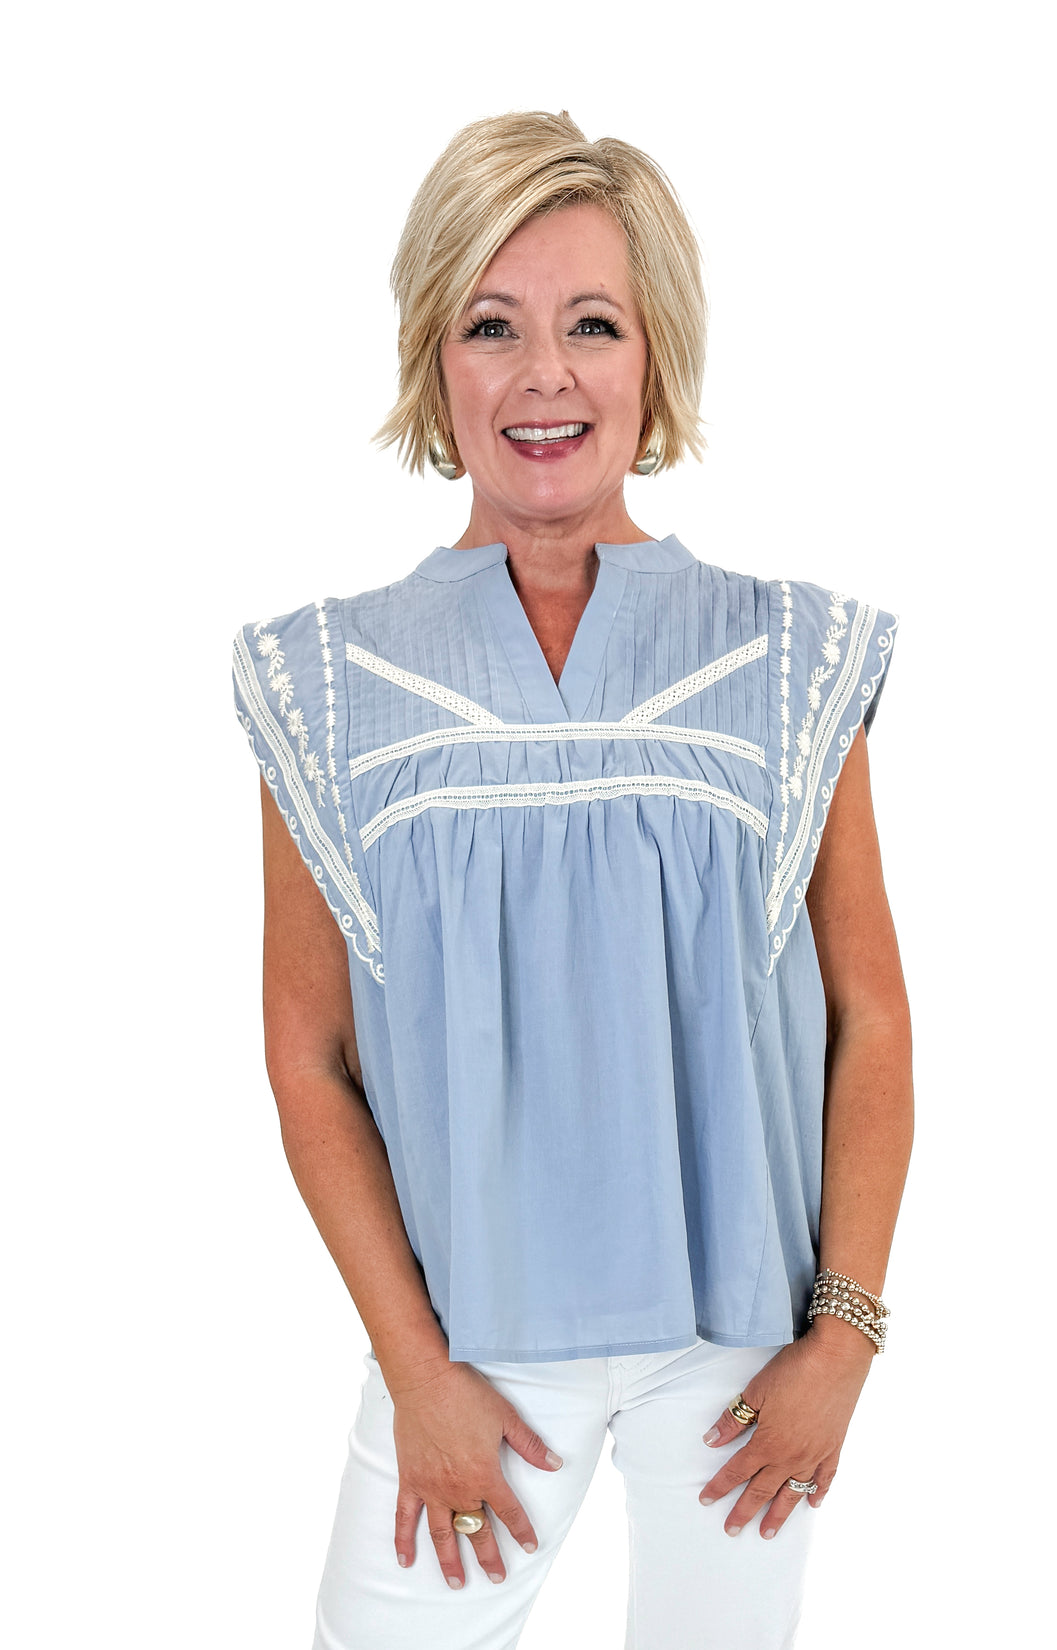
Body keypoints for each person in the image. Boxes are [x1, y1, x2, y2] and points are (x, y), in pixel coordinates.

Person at [232, 109, 913, 1650]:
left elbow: (870, 1013)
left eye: (592, 324)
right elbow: (307, 1053)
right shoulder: (326, 680)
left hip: (740, 1350)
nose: (544, 373)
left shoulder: (788, 657)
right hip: (472, 1347)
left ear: (655, 358)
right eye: (493, 326)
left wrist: (845, 1339)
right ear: (434, 362)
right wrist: (415, 1371)